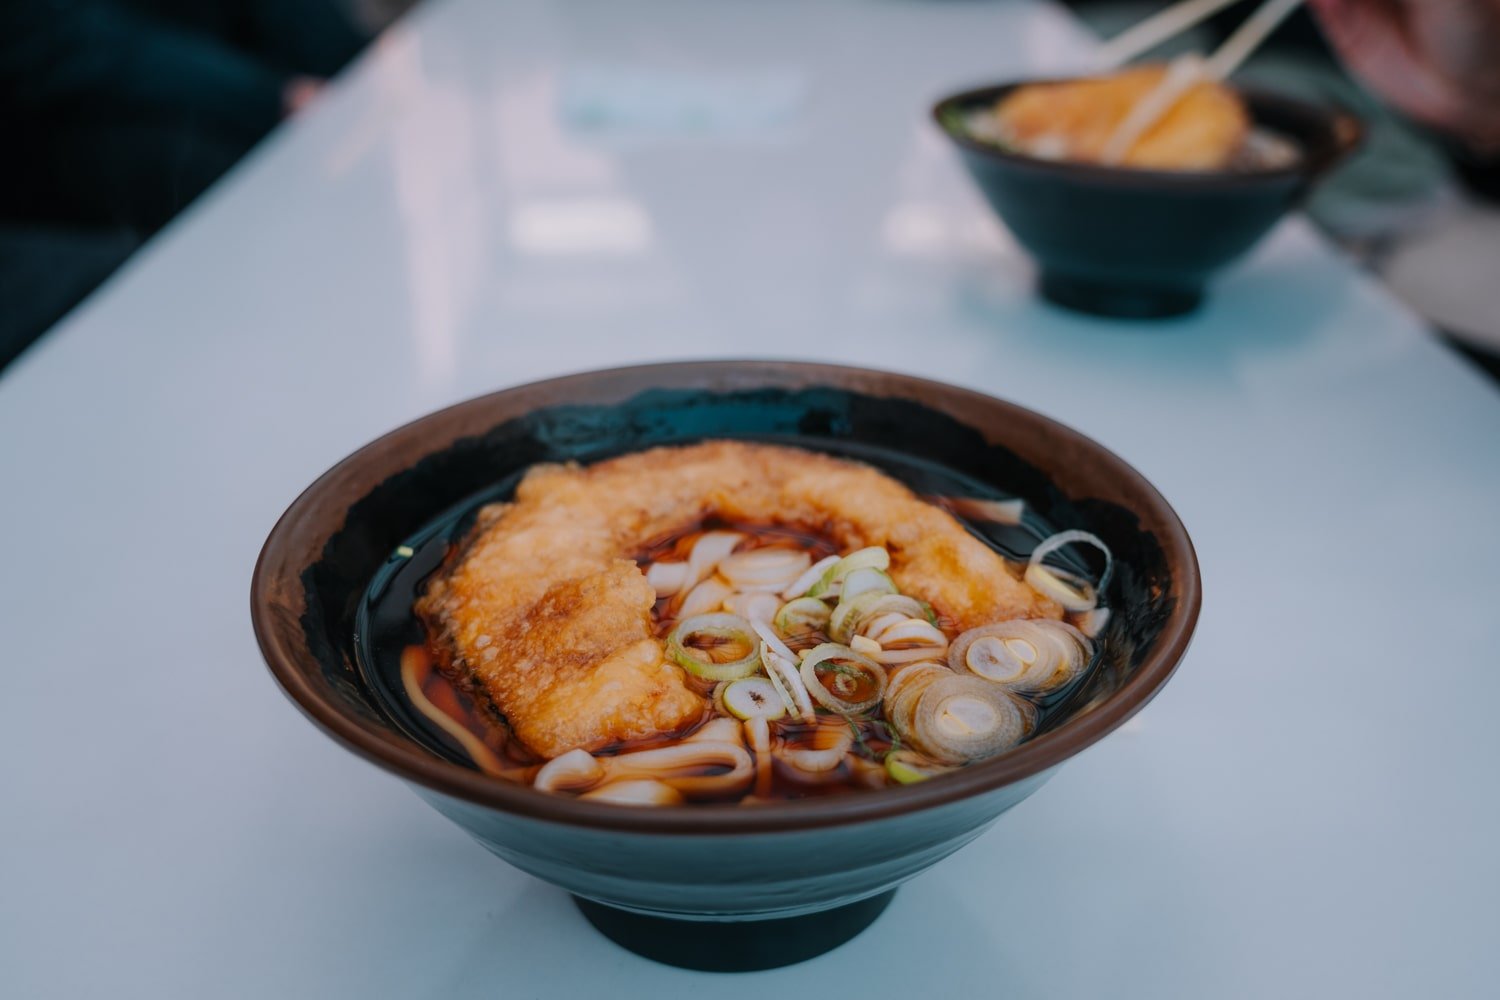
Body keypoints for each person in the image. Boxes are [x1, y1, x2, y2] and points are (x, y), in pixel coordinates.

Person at [0, 0, 369, 233]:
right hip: (71, 115)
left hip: (206, 56)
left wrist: (355, 68)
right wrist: (274, 97)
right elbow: (70, 44)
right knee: (214, 176)